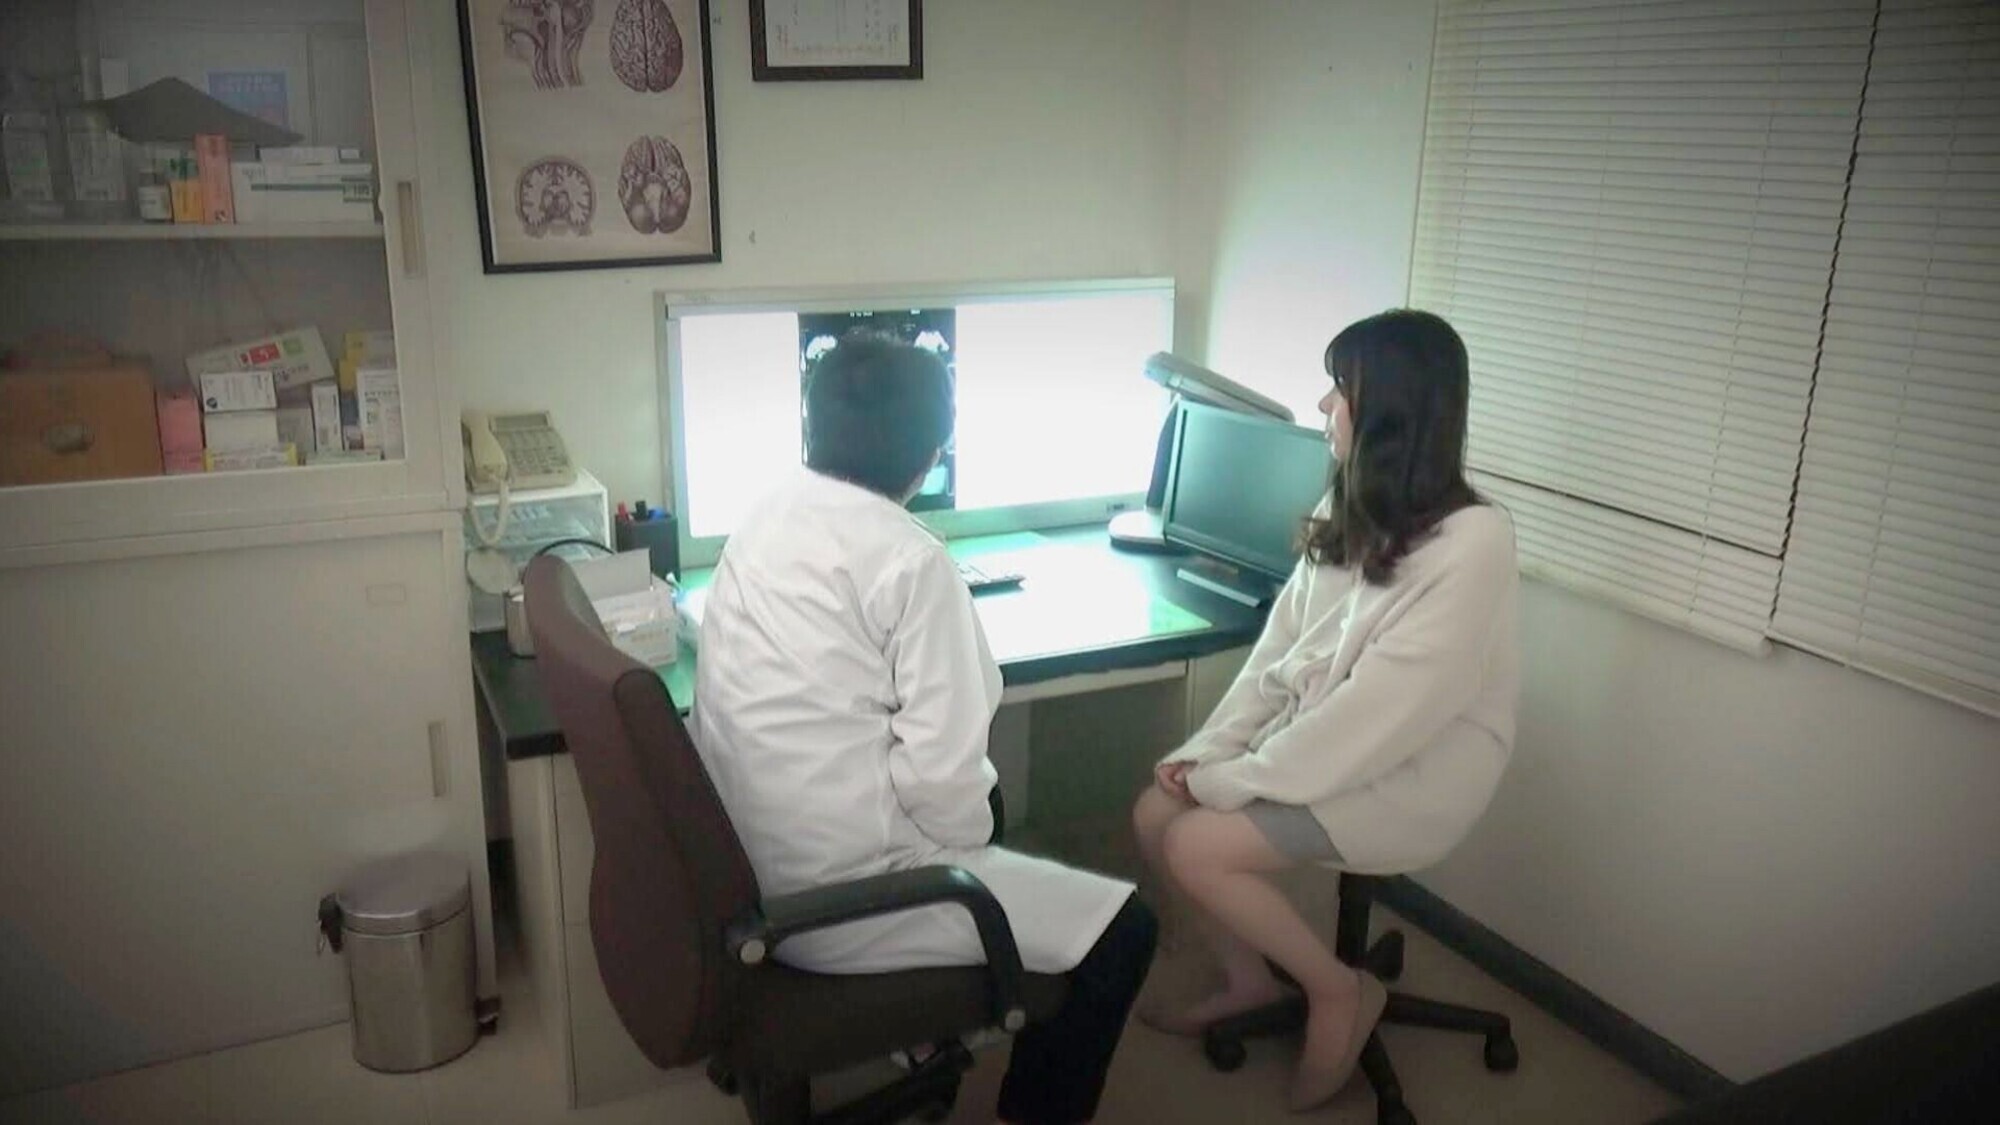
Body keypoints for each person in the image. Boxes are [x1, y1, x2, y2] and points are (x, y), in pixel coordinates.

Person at [690, 333, 1156, 1125]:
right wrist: (973, 841)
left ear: (810, 425)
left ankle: (925, 1035)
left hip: (744, 869)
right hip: (845, 900)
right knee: (1125, 930)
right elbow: (944, 785)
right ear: (934, 452)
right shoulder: (912, 561)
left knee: (983, 812)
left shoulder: (763, 517)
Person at [1132, 309, 1520, 1111]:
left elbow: (1378, 718)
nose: (1321, 406)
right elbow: (1277, 655)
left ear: (1390, 412)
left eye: (1338, 389)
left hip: (1411, 771)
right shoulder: (1356, 504)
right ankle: (1246, 979)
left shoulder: (1475, 541)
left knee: (1197, 846)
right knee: (1154, 813)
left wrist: (1235, 780)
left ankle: (1337, 988)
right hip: (1321, 745)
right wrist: (1210, 751)